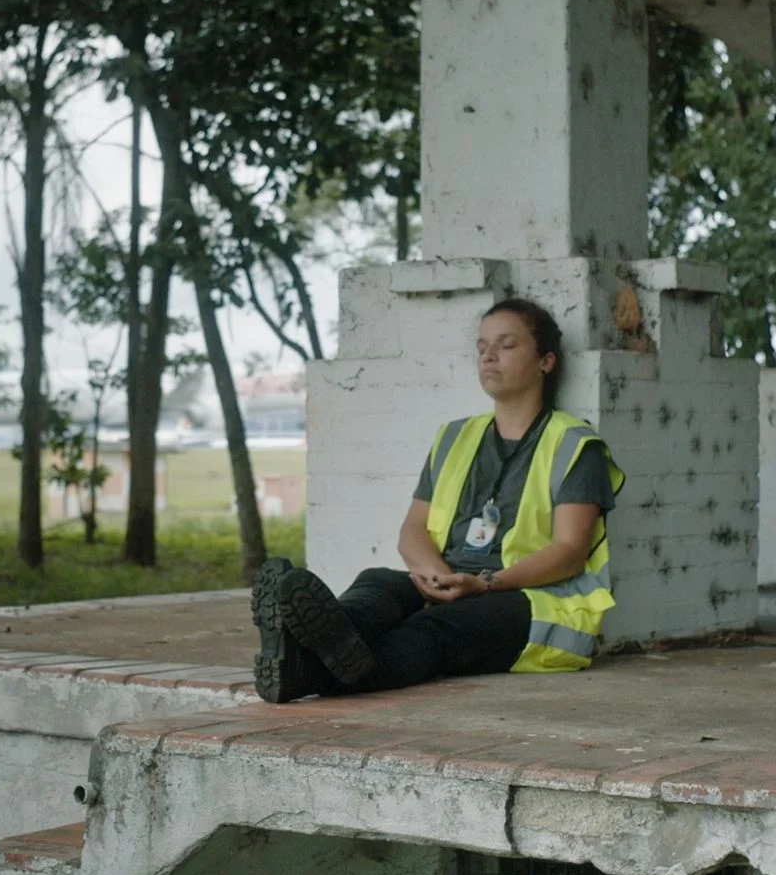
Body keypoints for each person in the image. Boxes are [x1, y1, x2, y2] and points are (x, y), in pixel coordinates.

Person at [250, 296, 625, 703]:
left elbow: (569, 553)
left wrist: (483, 584)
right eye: (481, 347)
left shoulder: (574, 445)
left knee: (432, 629)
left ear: (546, 362)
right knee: (379, 583)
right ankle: (307, 648)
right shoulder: (455, 437)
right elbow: (412, 529)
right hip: (454, 580)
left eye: (506, 345)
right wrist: (438, 579)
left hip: (530, 599)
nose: (489, 356)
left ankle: (304, 665)